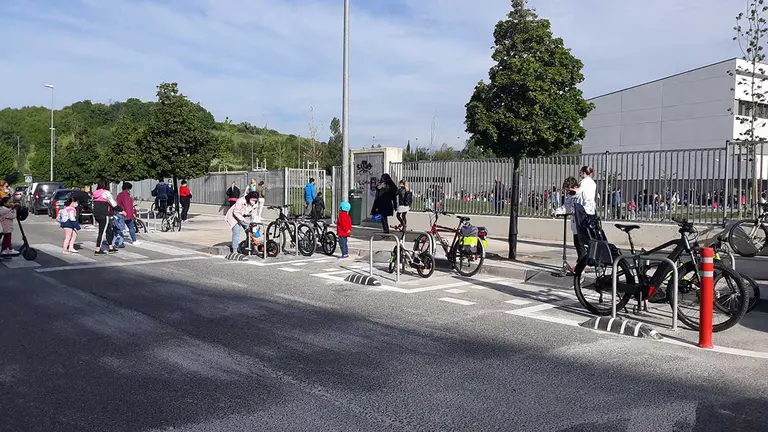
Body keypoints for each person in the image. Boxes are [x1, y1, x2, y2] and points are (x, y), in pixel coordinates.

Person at [92, 182, 121, 255]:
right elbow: (114, 204)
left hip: (96, 214)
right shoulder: (106, 193)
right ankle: (97, 250)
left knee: (108, 230)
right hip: (104, 214)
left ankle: (111, 247)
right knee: (101, 232)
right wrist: (121, 210)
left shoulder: (95, 193)